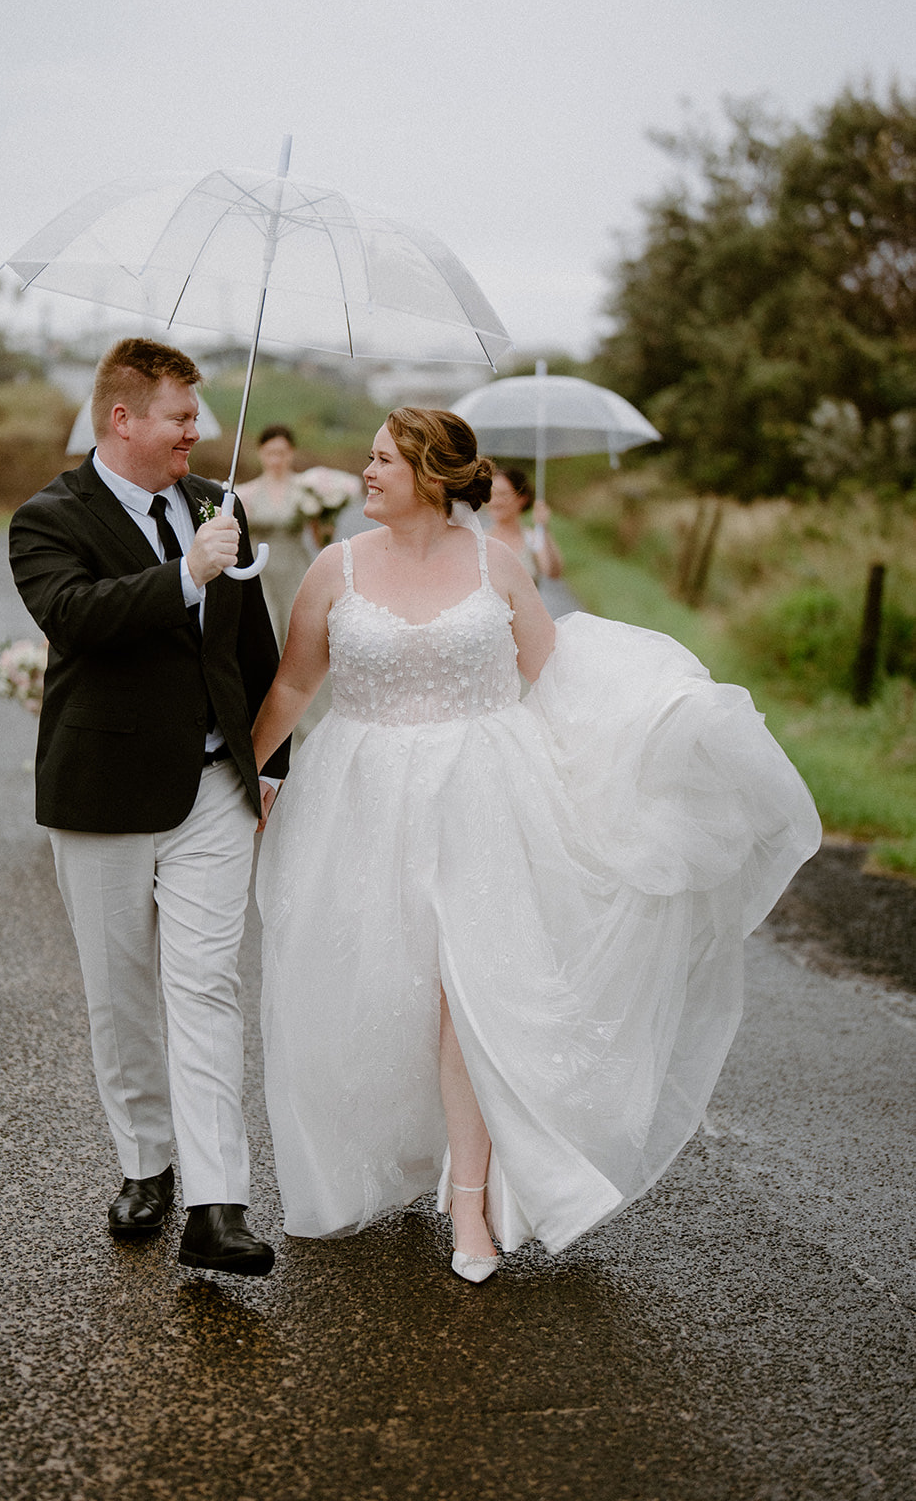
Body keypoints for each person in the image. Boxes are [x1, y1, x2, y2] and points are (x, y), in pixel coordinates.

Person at [250, 407, 821, 1283]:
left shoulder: (494, 563)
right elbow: (294, 683)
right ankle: (410, 1160)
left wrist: (650, 736)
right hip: (357, 803)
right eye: (364, 459)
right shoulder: (335, 567)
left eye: (379, 462)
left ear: (430, 476)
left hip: (484, 797)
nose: (362, 474)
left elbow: (557, 680)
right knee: (376, 986)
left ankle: (471, 1201)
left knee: (466, 992)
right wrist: (236, 780)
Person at [8, 338, 290, 1276]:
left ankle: (218, 1204)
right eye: (178, 417)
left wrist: (273, 757)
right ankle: (146, 1161)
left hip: (213, 784)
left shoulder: (219, 504)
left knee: (206, 987)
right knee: (119, 995)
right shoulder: (46, 517)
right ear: (122, 418)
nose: (195, 433)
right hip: (103, 795)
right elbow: (77, 616)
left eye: (197, 417)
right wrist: (185, 576)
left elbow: (251, 642)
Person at [237, 425, 318, 647]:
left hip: (295, 567)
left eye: (281, 453)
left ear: (291, 453)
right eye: (270, 453)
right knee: (265, 632)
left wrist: (327, 514)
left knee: (298, 633)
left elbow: (322, 539)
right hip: (259, 570)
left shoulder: (307, 491)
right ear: (261, 453)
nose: (276, 460)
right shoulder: (246, 493)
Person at [485, 464, 564, 584]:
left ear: (522, 499)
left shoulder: (532, 539)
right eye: (492, 494)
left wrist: (543, 527)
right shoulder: (480, 539)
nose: (495, 501)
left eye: (503, 494)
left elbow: (552, 572)